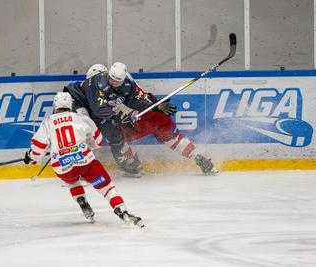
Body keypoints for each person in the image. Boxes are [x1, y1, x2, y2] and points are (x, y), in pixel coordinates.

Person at [67, 62, 217, 175]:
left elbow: (132, 103)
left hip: (142, 120)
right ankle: (197, 156)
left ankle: (130, 164)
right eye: (111, 79)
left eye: (116, 80)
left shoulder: (116, 86)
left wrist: (151, 108)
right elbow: (106, 107)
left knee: (116, 137)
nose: (113, 82)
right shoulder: (112, 84)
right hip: (151, 116)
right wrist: (154, 107)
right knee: (173, 138)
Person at [23, 92, 144, 227]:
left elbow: (38, 149)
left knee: (72, 181)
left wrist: (30, 157)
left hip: (62, 167)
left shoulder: (48, 122)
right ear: (70, 105)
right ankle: (122, 211)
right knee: (106, 187)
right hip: (85, 162)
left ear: (55, 106)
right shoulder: (81, 118)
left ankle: (81, 200)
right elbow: (97, 141)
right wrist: (86, 143)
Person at [64, 65, 144, 177]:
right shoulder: (79, 91)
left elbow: (105, 108)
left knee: (115, 135)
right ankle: (76, 168)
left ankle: (125, 164)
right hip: (82, 108)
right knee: (82, 135)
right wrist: (116, 116)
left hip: (97, 113)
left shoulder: (107, 89)